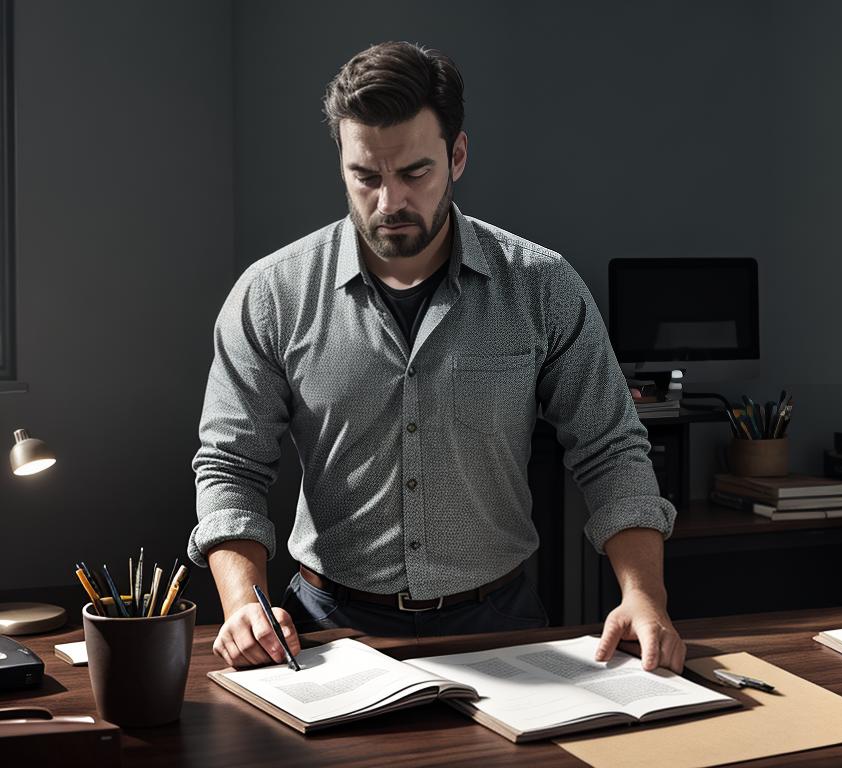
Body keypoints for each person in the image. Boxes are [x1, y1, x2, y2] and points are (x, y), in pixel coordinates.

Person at [188, 41, 684, 673]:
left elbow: (611, 446)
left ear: (458, 155)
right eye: (365, 177)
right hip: (324, 629)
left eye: (414, 173)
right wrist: (241, 604)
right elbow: (231, 463)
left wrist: (645, 595)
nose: (389, 202)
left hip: (499, 620)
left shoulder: (542, 284)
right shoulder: (271, 294)